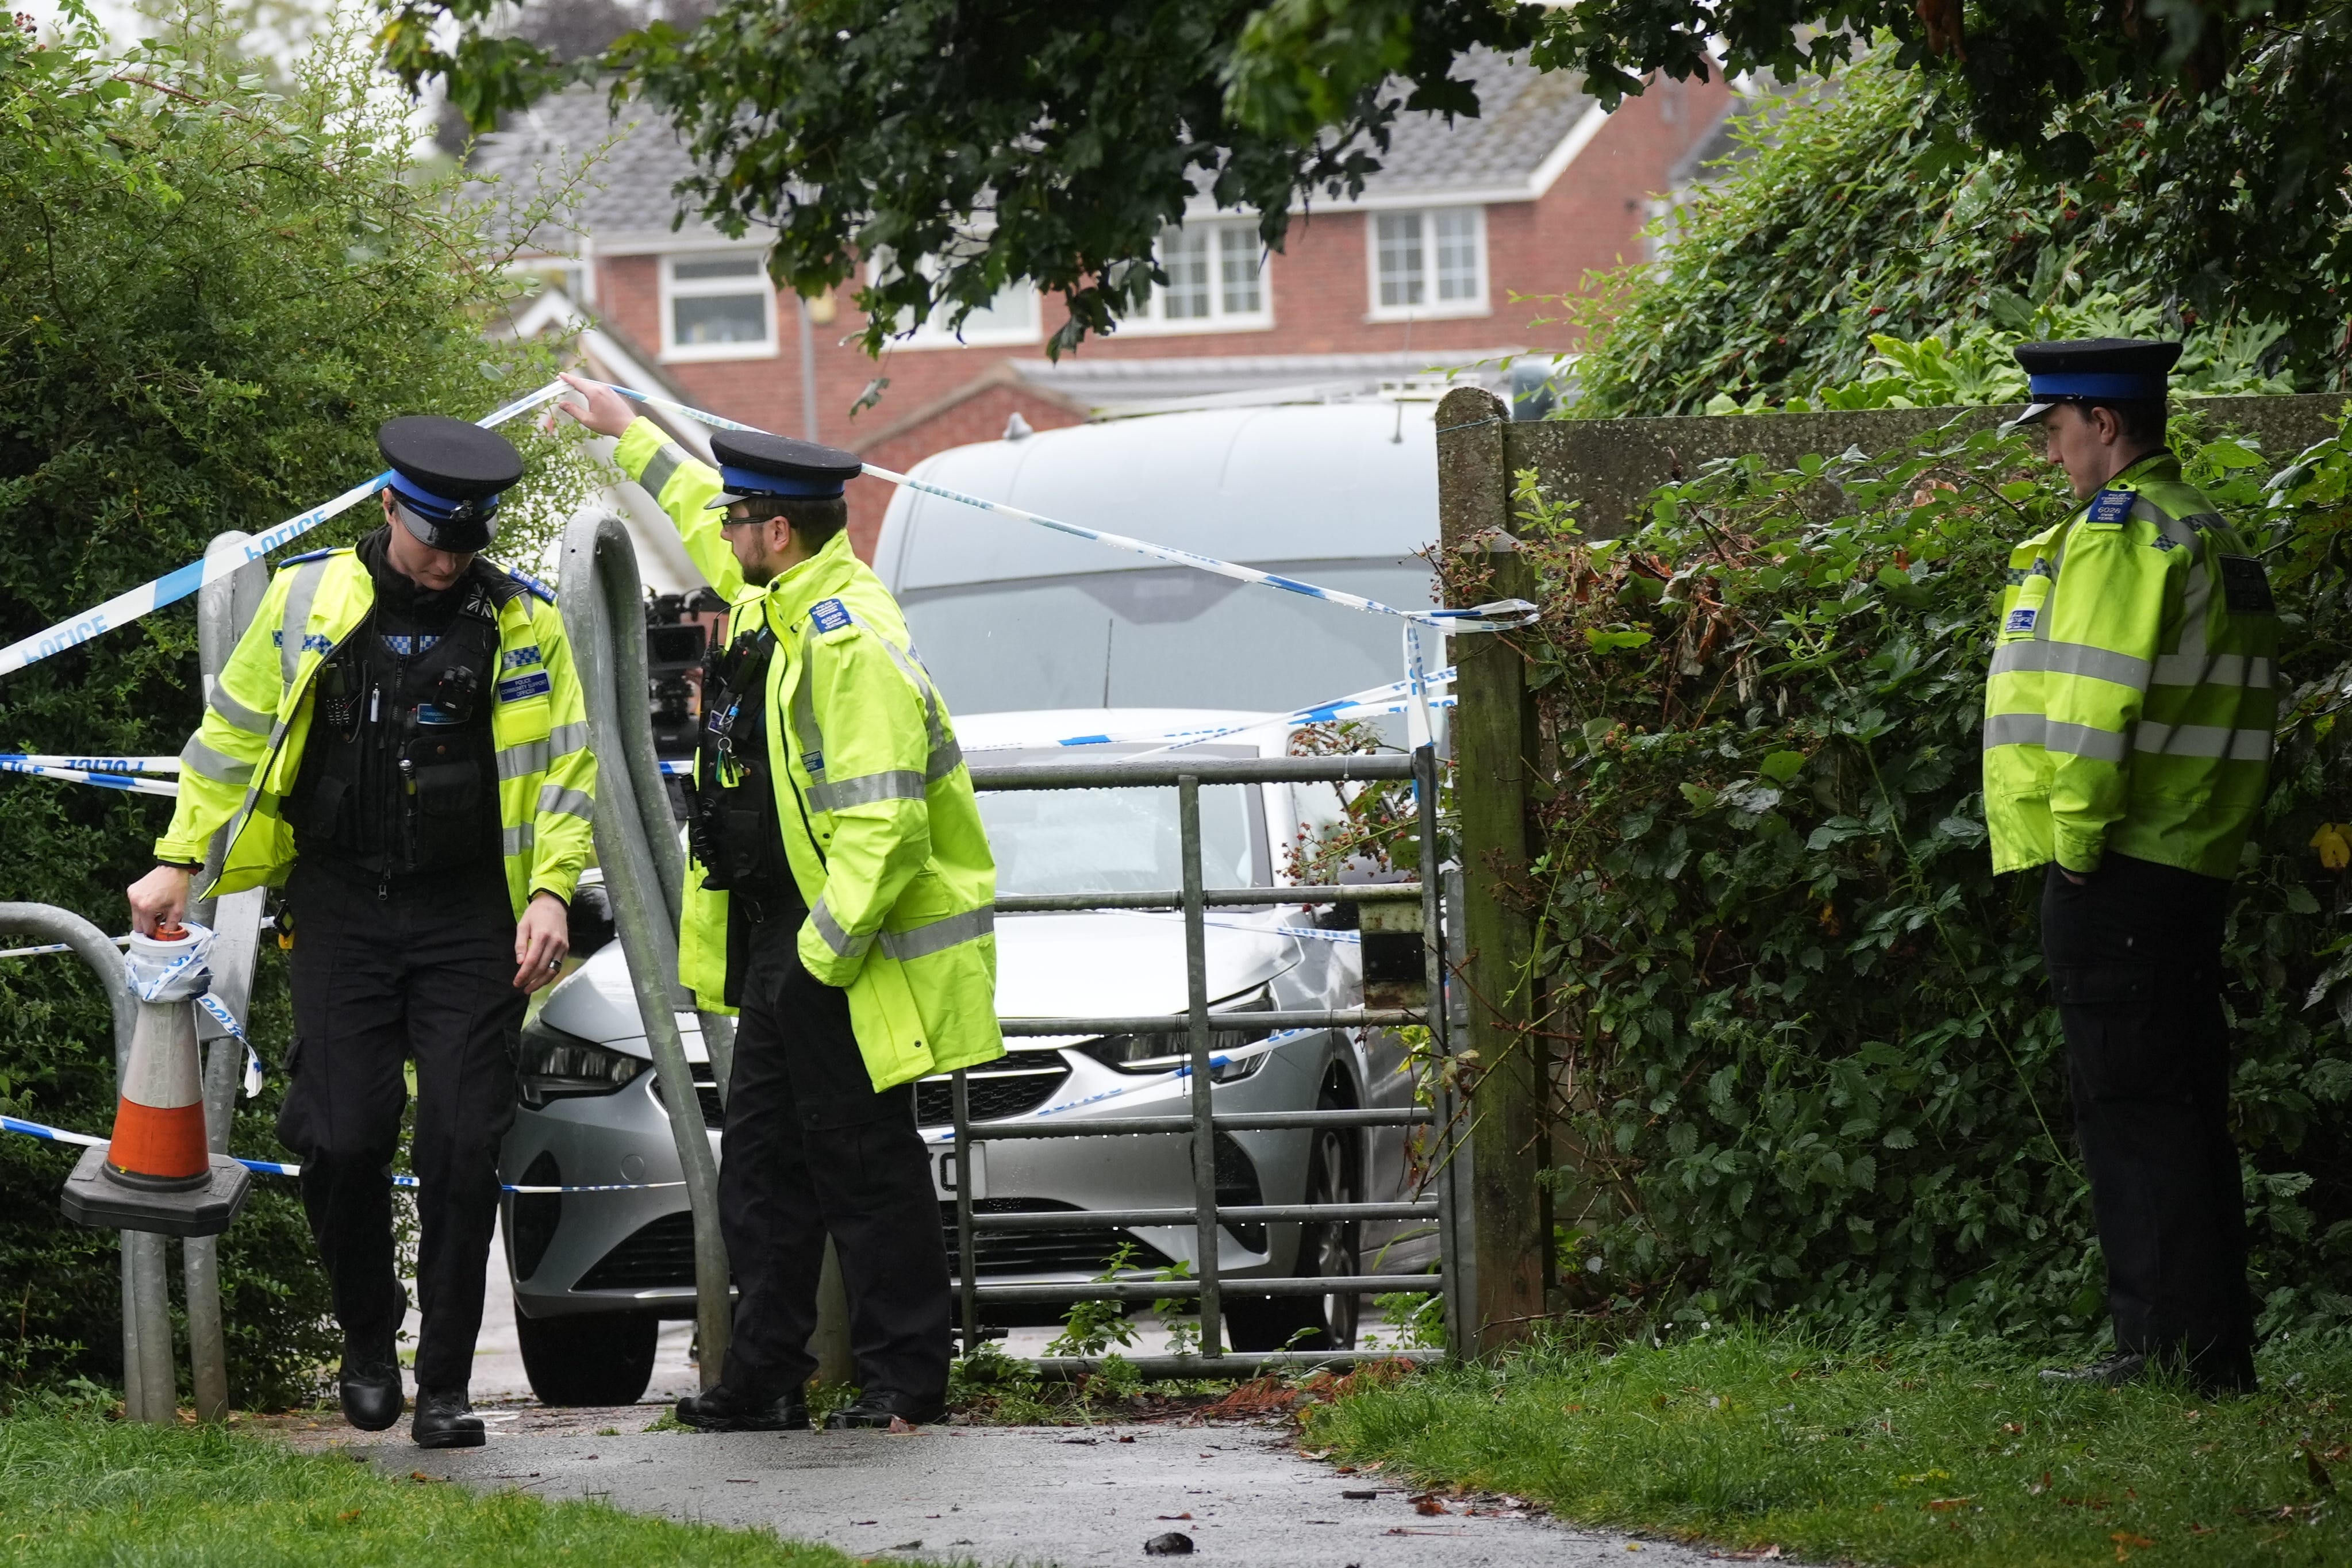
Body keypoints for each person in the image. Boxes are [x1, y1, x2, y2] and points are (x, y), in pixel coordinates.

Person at [127, 416, 597, 1447]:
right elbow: (233, 737)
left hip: (471, 914)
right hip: (340, 905)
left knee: (463, 1148)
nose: (447, 560)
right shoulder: (307, 602)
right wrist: (180, 854)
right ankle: (369, 1336)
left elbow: (566, 770)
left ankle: (447, 1388)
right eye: (433, 537)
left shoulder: (523, 622)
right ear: (388, 506)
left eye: (467, 544)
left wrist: (554, 891)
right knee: (337, 1138)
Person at [557, 373, 1002, 1431]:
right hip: (780, 943)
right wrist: (628, 435)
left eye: (740, 516)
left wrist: (823, 954)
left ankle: (904, 1384)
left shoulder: (848, 642)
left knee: (864, 1168)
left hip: (830, 951)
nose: (725, 528)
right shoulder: (774, 602)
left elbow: (883, 823)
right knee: (760, 1169)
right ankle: (763, 1379)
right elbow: (698, 515)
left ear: (783, 532)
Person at [1985, 338, 2277, 1396]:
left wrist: (2072, 849)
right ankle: (2207, 1351)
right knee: (2184, 1104)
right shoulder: (2210, 529)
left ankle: (2163, 1357)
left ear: (2104, 425)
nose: (2052, 456)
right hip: (2193, 855)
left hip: (2116, 864)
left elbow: (2093, 709)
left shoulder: (2119, 537)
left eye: (2056, 432)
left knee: (2132, 1110)